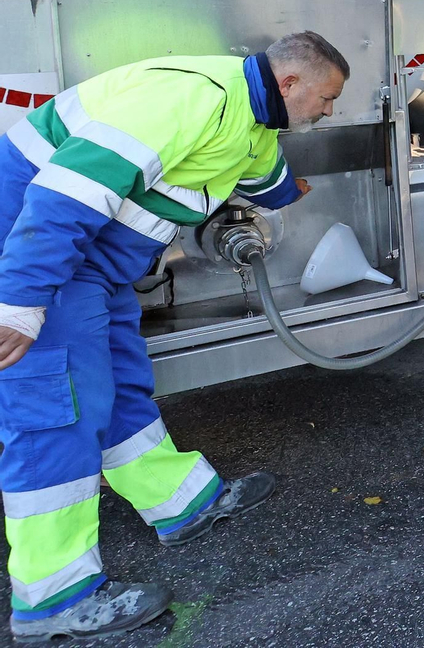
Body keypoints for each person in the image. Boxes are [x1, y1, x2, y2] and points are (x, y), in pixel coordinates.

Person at [0, 32, 348, 641]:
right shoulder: (191, 97)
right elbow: (62, 199)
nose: (328, 113)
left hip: (91, 265)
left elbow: (266, 177)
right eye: (326, 99)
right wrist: (21, 302)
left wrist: (291, 193)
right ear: (289, 83)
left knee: (123, 384)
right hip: (36, 244)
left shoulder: (254, 122)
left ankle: (181, 503)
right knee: (57, 411)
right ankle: (52, 597)